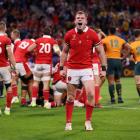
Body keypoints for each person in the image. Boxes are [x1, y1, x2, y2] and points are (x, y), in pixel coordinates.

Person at [60, 11, 107, 131]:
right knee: (70, 97)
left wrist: (104, 68)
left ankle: (88, 122)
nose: (79, 20)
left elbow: (101, 51)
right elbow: (64, 52)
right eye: (77, 18)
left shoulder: (92, 34)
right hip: (72, 69)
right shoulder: (69, 34)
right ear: (75, 21)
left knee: (91, 94)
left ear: (86, 21)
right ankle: (68, 122)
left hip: (87, 68)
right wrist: (61, 68)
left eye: (82, 18)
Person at [30, 27, 61, 109]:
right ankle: (46, 102)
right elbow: (57, 50)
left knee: (36, 82)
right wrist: (62, 55)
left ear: (43, 33)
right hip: (47, 64)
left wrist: (35, 52)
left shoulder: (38, 40)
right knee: (46, 84)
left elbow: (29, 49)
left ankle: (33, 102)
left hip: (38, 64)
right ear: (50, 33)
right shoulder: (52, 41)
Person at [102, 27, 130, 104]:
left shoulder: (106, 39)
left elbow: (98, 46)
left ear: (109, 31)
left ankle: (113, 99)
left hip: (110, 60)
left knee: (111, 81)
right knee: (118, 80)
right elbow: (129, 48)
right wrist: (124, 57)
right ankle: (120, 98)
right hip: (118, 60)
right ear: (115, 32)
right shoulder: (120, 39)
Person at [0, 21, 17, 115]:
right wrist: (15, 66)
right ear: (4, 28)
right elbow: (10, 54)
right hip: (4, 66)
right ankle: (7, 109)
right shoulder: (6, 40)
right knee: (8, 86)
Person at [14, 37, 36, 106]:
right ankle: (32, 100)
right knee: (31, 79)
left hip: (15, 61)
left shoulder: (23, 41)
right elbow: (29, 51)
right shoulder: (33, 43)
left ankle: (23, 100)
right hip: (21, 61)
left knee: (24, 80)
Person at [10, 29, 21, 104]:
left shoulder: (16, 43)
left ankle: (15, 97)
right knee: (24, 82)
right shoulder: (20, 42)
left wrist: (13, 65)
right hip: (23, 64)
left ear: (14, 35)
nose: (11, 36)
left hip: (18, 63)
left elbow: (15, 55)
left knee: (13, 80)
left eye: (11, 34)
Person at [130, 30, 140, 102]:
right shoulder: (132, 44)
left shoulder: (131, 45)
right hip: (138, 64)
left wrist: (135, 61)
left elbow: (131, 58)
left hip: (138, 64)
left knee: (138, 84)